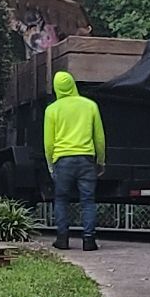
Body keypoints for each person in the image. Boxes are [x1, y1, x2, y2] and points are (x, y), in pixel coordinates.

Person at [43, 68, 105, 251]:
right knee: (88, 200)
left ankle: (62, 239)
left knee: (61, 199)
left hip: (62, 160)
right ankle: (89, 240)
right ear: (73, 84)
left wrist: (51, 165)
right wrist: (100, 161)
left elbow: (48, 143)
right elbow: (99, 138)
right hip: (86, 160)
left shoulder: (52, 110)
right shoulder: (90, 105)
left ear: (56, 88)